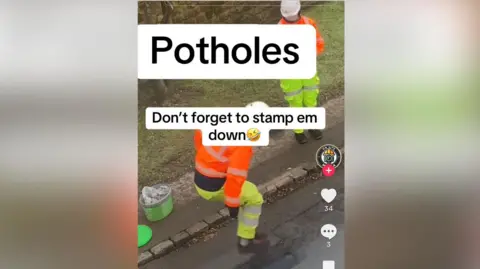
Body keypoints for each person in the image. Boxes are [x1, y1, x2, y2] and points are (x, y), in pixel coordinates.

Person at [193, 103, 269, 253]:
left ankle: (246, 233)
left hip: (199, 176)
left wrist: (211, 159)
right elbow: (235, 178)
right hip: (213, 186)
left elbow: (199, 134)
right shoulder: (243, 144)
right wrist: (232, 206)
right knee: (254, 198)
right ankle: (246, 240)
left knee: (246, 193)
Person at [279, 0, 325, 144]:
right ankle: (298, 131)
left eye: (293, 16)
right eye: (289, 17)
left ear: (299, 11)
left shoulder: (309, 23)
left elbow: (319, 43)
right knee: (295, 102)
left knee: (310, 99)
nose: (292, 19)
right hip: (290, 73)